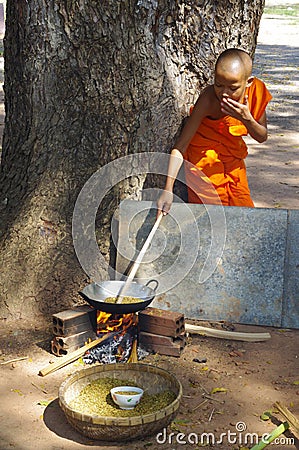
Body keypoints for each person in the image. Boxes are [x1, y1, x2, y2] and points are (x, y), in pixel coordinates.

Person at [157, 48, 272, 214]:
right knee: (211, 213)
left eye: (233, 88)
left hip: (232, 160)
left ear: (248, 82)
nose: (224, 93)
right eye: (218, 85)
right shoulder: (209, 99)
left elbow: (262, 136)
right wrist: (167, 189)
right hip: (203, 158)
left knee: (242, 209)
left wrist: (247, 119)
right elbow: (180, 147)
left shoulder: (256, 92)